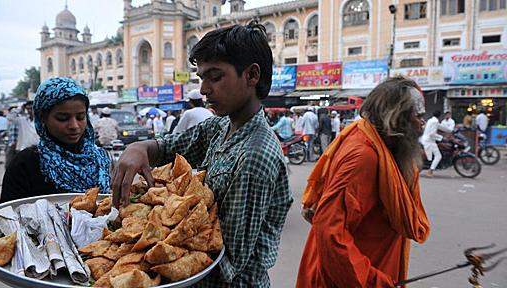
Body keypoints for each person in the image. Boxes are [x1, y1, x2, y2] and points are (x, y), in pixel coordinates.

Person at [111, 21, 293, 287]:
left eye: (215, 77)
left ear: (252, 76)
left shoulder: (256, 155)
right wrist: (139, 148)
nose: (204, 89)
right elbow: (169, 146)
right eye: (201, 78)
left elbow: (226, 258)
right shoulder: (219, 126)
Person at [297, 77, 430, 288]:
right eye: (418, 116)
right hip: (348, 279)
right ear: (396, 120)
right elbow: (330, 231)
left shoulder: (385, 148)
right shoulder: (363, 157)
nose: (423, 122)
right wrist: (373, 281)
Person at [1, 77, 111, 203]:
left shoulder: (101, 160)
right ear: (43, 117)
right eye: (63, 118)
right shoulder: (26, 164)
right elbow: (8, 216)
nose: (74, 126)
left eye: (80, 117)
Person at [421, 110, 443, 177]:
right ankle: (430, 171)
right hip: (429, 141)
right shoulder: (435, 121)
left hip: (425, 139)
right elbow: (432, 134)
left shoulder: (430, 120)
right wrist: (441, 137)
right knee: (438, 156)